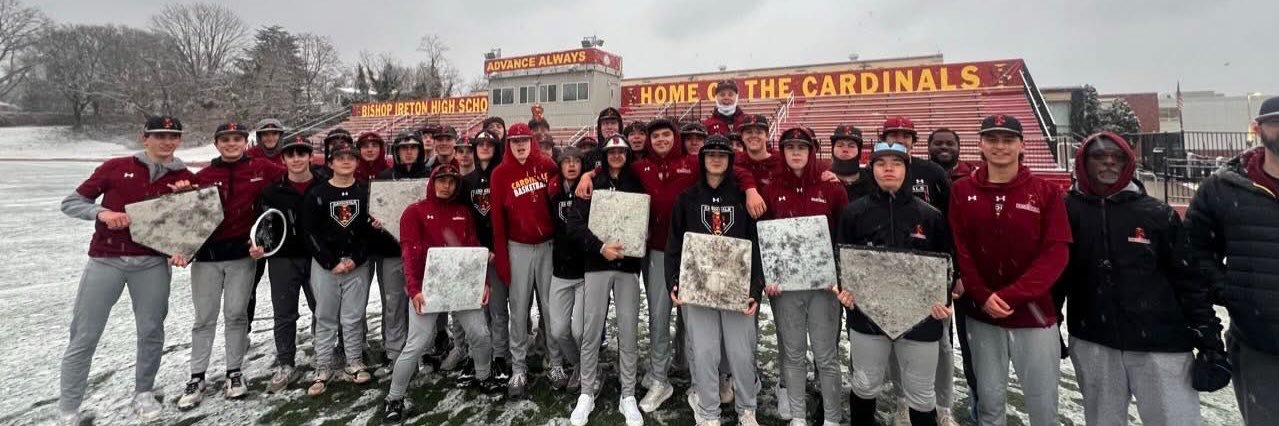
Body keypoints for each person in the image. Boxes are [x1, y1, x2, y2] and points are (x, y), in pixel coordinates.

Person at [1061, 132, 1224, 425]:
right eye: (1100, 155)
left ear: (1129, 163)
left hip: (1161, 344)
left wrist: (1209, 340)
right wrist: (1051, 325)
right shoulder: (1066, 210)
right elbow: (1058, 274)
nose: (1110, 161)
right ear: (1083, 162)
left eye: (1118, 156)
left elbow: (1189, 279)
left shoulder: (1157, 213)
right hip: (1095, 340)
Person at [57, 116, 194, 424]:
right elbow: (71, 203)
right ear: (144, 138)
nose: (166, 141)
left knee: (151, 330)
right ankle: (69, 408)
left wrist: (182, 248)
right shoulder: (116, 167)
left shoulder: (185, 177)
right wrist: (101, 212)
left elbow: (188, 228)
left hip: (151, 264)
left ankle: (143, 393)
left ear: (179, 140)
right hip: (106, 260)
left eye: (173, 136)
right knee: (84, 334)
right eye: (159, 135)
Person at [949, 115, 1070, 426]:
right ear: (980, 145)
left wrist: (1013, 295)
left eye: (1007, 139)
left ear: (1021, 145)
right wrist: (983, 295)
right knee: (990, 401)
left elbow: (1056, 252)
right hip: (982, 313)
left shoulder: (1045, 191)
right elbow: (962, 250)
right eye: (992, 139)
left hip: (1034, 313)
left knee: (1043, 404)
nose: (999, 146)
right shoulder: (962, 191)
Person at [836, 141, 953, 426]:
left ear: (906, 169)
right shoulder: (854, 213)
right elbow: (841, 258)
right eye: (881, 163)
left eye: (896, 163)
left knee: (921, 395)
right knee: (864, 385)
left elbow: (947, 264)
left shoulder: (930, 216)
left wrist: (945, 299)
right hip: (867, 317)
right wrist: (845, 290)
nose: (888, 169)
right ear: (871, 169)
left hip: (921, 319)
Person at [1185, 96, 1279, 426]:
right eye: (1276, 122)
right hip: (1258, 343)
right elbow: (1194, 250)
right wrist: (1232, 290)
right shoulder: (1224, 189)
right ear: (1258, 128)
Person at [383, 164, 502, 423]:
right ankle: (394, 397)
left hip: (460, 285)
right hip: (429, 288)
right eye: (442, 180)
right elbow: (410, 255)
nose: (446, 185)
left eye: (451, 181)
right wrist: (414, 290)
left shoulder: (463, 212)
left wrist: (483, 283)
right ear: (433, 182)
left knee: (480, 334)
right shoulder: (414, 212)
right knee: (416, 343)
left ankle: (483, 376)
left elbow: (472, 249)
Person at [179, 121, 284, 409]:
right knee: (204, 318)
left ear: (245, 142)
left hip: (242, 255)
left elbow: (296, 177)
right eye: (225, 140)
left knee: (236, 315)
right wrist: (179, 247)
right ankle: (196, 376)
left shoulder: (261, 168)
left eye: (237, 139)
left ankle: (234, 372)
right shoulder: (204, 176)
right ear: (216, 143)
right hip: (207, 257)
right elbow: (184, 214)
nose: (231, 144)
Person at [666, 135, 765, 426]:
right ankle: (709, 412)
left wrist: (755, 289)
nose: (716, 158)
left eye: (722, 154)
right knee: (705, 350)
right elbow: (675, 246)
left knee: (740, 351)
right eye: (710, 154)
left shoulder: (743, 198)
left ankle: (747, 409)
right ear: (702, 159)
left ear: (730, 160)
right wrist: (675, 281)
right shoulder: (687, 199)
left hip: (736, 288)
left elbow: (755, 245)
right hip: (698, 288)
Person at [760, 128, 848, 426]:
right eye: (790, 147)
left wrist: (838, 275)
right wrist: (769, 275)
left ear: (812, 151)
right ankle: (798, 417)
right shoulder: (772, 188)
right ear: (782, 152)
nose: (796, 152)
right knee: (793, 354)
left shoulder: (832, 188)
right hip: (787, 288)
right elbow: (766, 236)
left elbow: (842, 237)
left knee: (826, 356)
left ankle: (833, 419)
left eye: (802, 147)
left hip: (824, 287)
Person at [566, 135, 648, 426]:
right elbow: (574, 224)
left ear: (627, 154)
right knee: (591, 330)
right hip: (597, 264)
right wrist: (598, 246)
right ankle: (586, 392)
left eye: (620, 151)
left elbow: (647, 216)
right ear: (604, 154)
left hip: (627, 266)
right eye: (611, 151)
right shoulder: (592, 183)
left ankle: (628, 394)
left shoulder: (636, 183)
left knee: (628, 330)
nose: (616, 155)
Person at [301, 136, 379, 396]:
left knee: (353, 316)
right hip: (326, 266)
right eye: (340, 158)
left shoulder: (365, 191)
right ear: (331, 163)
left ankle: (353, 361)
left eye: (351, 158)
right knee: (325, 317)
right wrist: (330, 261)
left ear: (357, 162)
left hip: (356, 265)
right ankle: (323, 365)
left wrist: (355, 259)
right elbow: (309, 232)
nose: (346, 162)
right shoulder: (318, 193)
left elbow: (371, 232)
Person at [489, 122, 561, 397]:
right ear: (508, 143)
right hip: (517, 246)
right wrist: (504, 261)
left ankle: (554, 362)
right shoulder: (500, 173)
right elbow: (497, 220)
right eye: (515, 140)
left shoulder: (548, 165)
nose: (520, 145)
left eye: (524, 140)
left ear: (532, 141)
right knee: (518, 311)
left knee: (549, 307)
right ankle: (518, 368)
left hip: (547, 246)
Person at [252, 134, 324, 393]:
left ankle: (322, 355)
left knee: (322, 309)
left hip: (317, 257)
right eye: (291, 154)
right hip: (283, 259)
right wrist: (260, 244)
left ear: (309, 156)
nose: (296, 159)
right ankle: (286, 362)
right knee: (284, 313)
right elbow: (264, 225)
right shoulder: (272, 191)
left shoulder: (323, 184)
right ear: (283, 158)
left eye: (301, 153)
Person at [369, 130, 431, 374]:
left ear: (420, 151)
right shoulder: (384, 178)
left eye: (413, 147)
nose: (408, 151)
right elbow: (375, 213)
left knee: (422, 302)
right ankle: (394, 351)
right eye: (403, 147)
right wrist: (378, 220)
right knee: (393, 302)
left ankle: (422, 350)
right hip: (391, 251)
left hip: (423, 252)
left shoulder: (430, 177)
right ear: (395, 151)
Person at [461, 129, 511, 386]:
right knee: (477, 310)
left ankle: (501, 355)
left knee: (498, 308)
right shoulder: (466, 181)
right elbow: (462, 221)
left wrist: (494, 248)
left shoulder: (502, 176)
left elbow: (506, 216)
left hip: (497, 252)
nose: (484, 147)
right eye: (479, 143)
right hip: (473, 255)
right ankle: (476, 354)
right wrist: (475, 249)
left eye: (489, 144)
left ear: (496, 147)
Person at [549, 147, 587, 391]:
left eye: (576, 161)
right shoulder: (552, 193)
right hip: (560, 271)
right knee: (559, 330)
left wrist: (590, 176)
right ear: (560, 166)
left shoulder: (590, 191)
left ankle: (588, 370)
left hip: (586, 272)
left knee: (580, 330)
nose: (572, 166)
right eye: (566, 162)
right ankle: (579, 365)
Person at [880, 117, 951, 214]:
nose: (900, 140)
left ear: (913, 142)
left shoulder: (933, 170)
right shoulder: (872, 173)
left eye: (906, 136)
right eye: (894, 135)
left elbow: (948, 209)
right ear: (883, 140)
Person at [828, 124, 875, 204]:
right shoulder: (822, 181)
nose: (845, 150)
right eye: (840, 145)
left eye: (851, 146)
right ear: (832, 149)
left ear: (859, 151)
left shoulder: (873, 179)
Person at [736, 114, 781, 188]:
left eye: (759, 132)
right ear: (742, 137)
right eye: (749, 132)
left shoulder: (780, 163)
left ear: (767, 136)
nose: (754, 135)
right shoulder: (735, 163)